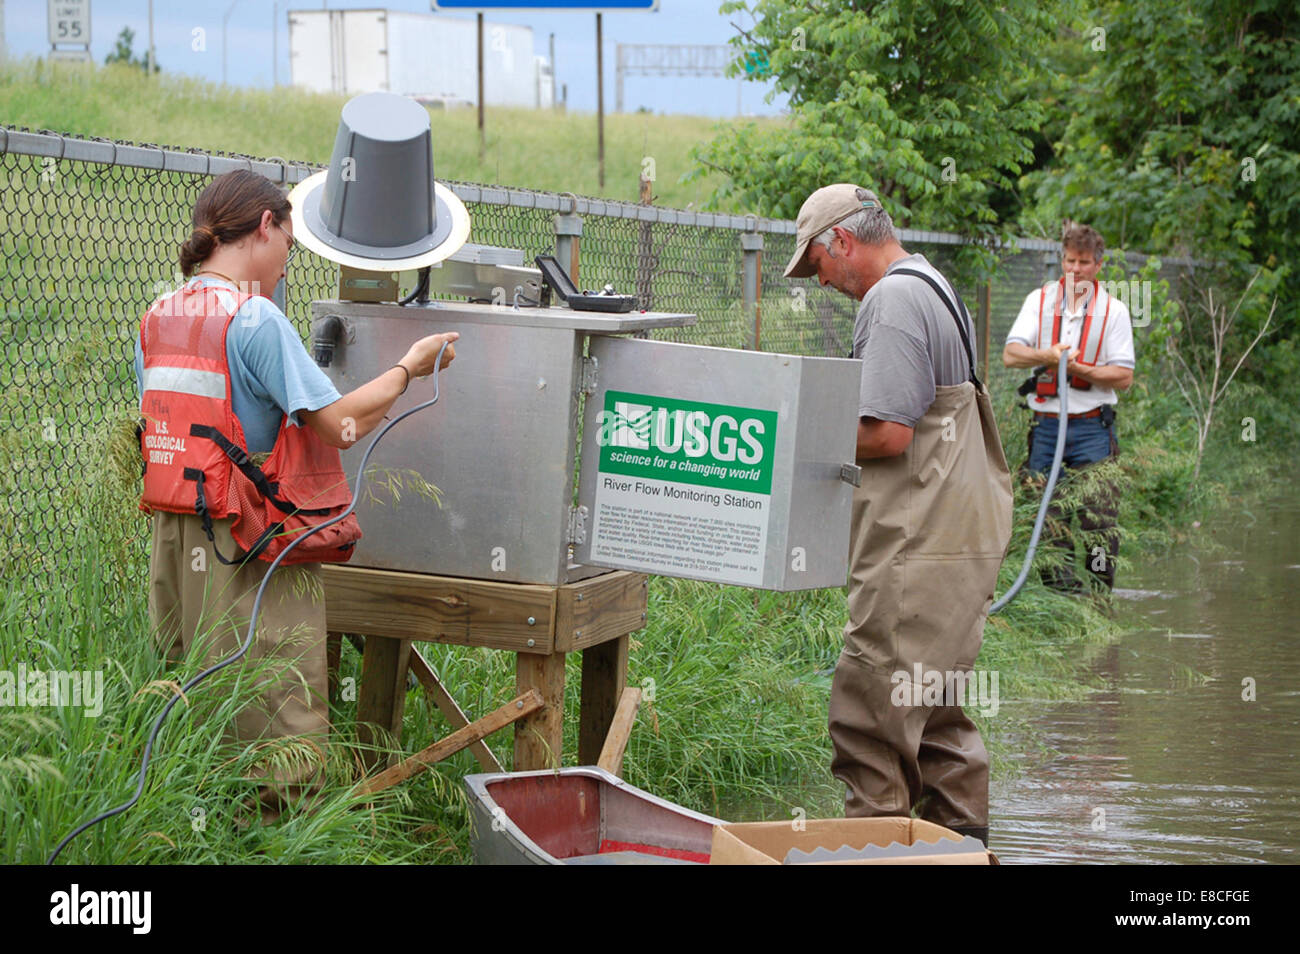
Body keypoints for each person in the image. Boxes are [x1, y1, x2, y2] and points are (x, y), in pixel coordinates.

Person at [133, 170, 458, 822]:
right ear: (263, 227)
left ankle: (196, 832)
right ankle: (279, 842)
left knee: (195, 701)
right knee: (276, 719)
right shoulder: (253, 319)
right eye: (288, 239)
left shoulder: (159, 315)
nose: (288, 259)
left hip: (174, 547)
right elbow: (339, 423)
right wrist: (407, 369)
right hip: (245, 545)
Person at [784, 183, 1012, 848]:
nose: (820, 280)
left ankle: (881, 861)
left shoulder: (891, 301)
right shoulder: (933, 285)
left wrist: (796, 433)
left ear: (843, 242)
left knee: (872, 720)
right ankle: (965, 857)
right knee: (939, 722)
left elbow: (887, 434)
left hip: (916, 548)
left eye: (817, 264)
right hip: (956, 544)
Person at [1002, 224, 1134, 592]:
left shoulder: (1114, 310)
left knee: (1098, 523)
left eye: (1084, 262)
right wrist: (1048, 355)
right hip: (1046, 428)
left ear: (1098, 265)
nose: (1075, 270)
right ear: (1063, 260)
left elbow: (1123, 376)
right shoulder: (1039, 301)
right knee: (1048, 521)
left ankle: (1098, 601)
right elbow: (1011, 354)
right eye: (1070, 261)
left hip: (1093, 428)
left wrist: (1080, 370)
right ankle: (1063, 604)